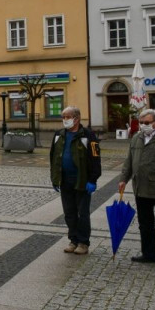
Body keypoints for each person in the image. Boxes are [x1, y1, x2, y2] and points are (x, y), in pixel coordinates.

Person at [118, 107, 155, 268]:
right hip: (141, 187)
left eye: (147, 123)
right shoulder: (137, 137)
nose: (143, 125)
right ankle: (149, 253)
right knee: (145, 223)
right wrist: (124, 178)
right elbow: (129, 161)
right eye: (141, 122)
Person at [49, 106, 101, 255]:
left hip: (82, 180)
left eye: (67, 117)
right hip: (65, 180)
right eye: (63, 117)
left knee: (82, 213)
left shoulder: (88, 135)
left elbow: (95, 158)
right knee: (69, 212)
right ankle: (73, 240)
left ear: (76, 118)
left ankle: (83, 242)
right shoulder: (59, 135)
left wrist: (93, 179)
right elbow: (53, 157)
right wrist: (54, 178)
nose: (65, 120)